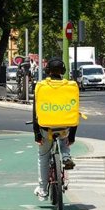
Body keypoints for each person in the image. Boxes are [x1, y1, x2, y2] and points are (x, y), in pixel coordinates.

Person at [32, 57, 77, 201]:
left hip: (46, 128)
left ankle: (43, 190)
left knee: (43, 157)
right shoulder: (71, 86)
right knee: (64, 140)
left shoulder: (41, 86)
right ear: (63, 71)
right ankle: (65, 156)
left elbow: (36, 113)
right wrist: (72, 136)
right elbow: (74, 111)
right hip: (65, 127)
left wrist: (37, 134)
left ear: (47, 71)